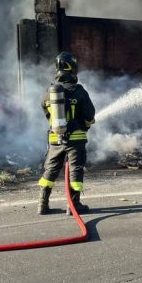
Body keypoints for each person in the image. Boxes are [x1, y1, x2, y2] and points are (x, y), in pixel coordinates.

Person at [38, 52, 96, 215]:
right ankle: (73, 205)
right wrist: (86, 123)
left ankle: (42, 204)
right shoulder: (78, 91)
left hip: (55, 138)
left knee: (50, 170)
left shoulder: (49, 92)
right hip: (76, 139)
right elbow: (90, 114)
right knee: (75, 169)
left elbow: (45, 109)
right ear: (72, 67)